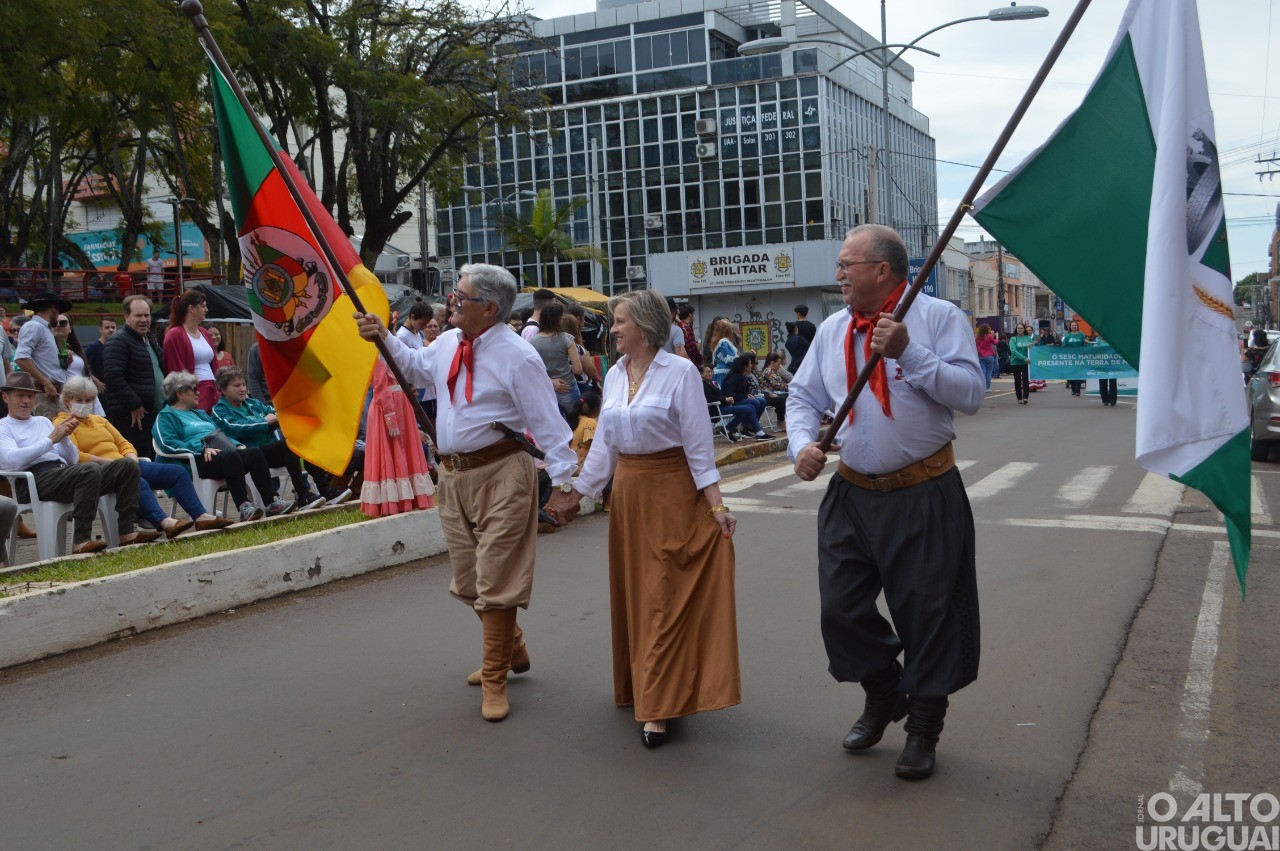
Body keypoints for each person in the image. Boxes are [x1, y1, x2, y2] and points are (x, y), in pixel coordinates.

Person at [787, 224, 983, 781]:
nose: (840, 274)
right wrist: (801, 443)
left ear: (883, 271)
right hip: (852, 491)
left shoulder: (939, 319)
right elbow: (803, 396)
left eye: (848, 264)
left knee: (928, 614)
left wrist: (909, 353)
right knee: (840, 610)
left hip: (922, 490)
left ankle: (923, 726)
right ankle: (884, 689)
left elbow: (970, 395)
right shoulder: (831, 330)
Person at [355, 263, 578, 723]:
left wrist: (565, 485)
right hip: (453, 479)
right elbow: (416, 370)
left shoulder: (519, 356)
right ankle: (510, 644)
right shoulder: (449, 343)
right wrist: (383, 337)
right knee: (469, 581)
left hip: (503, 476)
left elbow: (549, 423)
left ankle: (495, 680)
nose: (451, 301)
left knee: (496, 580)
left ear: (490, 308)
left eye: (461, 296)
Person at [546, 289, 740, 750]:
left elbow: (699, 449)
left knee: (661, 601)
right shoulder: (613, 374)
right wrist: (575, 495)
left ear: (646, 326)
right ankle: (644, 690)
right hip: (629, 498)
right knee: (639, 598)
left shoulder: (681, 372)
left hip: (674, 495)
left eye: (619, 321)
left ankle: (658, 706)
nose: (612, 329)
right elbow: (606, 450)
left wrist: (717, 505)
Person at [55, 377, 233, 537]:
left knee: (176, 472)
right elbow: (76, 456)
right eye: (79, 400)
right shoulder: (62, 423)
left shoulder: (100, 420)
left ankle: (201, 517)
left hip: (126, 464)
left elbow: (124, 443)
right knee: (138, 481)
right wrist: (114, 463)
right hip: (100, 471)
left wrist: (131, 459)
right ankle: (163, 521)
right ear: (67, 401)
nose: (84, 404)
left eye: (89, 400)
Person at [0, 372, 154, 554]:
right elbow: (12, 460)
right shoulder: (4, 426)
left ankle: (126, 532)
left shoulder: (41, 421)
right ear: (5, 397)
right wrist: (51, 440)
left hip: (61, 472)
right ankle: (81, 541)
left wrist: (64, 437)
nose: (26, 400)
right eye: (20, 395)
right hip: (32, 480)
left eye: (30, 396)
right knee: (88, 470)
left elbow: (71, 458)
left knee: (126, 466)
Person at [153, 371, 295, 522]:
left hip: (222, 455)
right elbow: (167, 443)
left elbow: (220, 435)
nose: (198, 392)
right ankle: (244, 507)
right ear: (180, 393)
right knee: (231, 456)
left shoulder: (200, 414)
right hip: (196, 461)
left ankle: (271, 502)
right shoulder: (166, 416)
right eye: (194, 389)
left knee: (253, 452)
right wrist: (200, 449)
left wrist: (238, 445)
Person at [211, 367, 327, 510]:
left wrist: (270, 421)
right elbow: (233, 427)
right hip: (247, 453)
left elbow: (276, 414)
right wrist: (265, 422)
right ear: (222, 390)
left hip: (267, 450)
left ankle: (323, 491)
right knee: (286, 445)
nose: (242, 389)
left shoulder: (253, 403)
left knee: (297, 443)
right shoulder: (219, 409)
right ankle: (303, 495)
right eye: (236, 386)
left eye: (243, 385)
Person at [359, 359, 435, 517]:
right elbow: (380, 387)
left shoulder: (390, 351)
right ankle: (393, 500)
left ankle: (409, 497)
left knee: (406, 450)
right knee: (392, 449)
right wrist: (390, 417)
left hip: (401, 404)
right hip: (387, 407)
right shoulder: (376, 356)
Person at [102, 295, 166, 460]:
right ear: (126, 317)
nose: (144, 320)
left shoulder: (150, 339)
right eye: (138, 315)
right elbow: (113, 377)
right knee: (142, 461)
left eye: (147, 315)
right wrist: (135, 404)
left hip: (153, 414)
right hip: (133, 417)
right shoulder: (118, 341)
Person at [14, 290, 72, 415]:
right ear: (54, 308)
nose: (57, 316)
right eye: (58, 311)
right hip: (45, 393)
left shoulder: (43, 328)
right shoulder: (34, 326)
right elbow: (21, 358)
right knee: (50, 432)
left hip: (51, 392)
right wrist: (46, 382)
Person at [163, 291, 220, 412]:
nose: (206, 309)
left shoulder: (204, 332)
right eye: (203, 306)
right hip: (194, 392)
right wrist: (189, 392)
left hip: (213, 390)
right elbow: (175, 370)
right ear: (192, 308)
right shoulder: (174, 334)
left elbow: (214, 365)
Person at [529, 300, 584, 417]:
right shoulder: (566, 339)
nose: (564, 319)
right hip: (567, 387)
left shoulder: (533, 341)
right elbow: (578, 369)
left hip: (546, 389)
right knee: (577, 421)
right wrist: (568, 367)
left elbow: (532, 370)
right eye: (562, 317)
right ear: (557, 320)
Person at [53, 314, 105, 416]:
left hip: (85, 395)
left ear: (70, 328)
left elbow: (85, 373)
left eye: (63, 323)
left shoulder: (76, 349)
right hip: (66, 398)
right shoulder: (46, 351)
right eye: (54, 323)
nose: (58, 325)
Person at [701, 365, 764, 443]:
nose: (710, 374)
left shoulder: (711, 384)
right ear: (701, 374)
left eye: (711, 371)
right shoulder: (702, 385)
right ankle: (758, 432)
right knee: (749, 409)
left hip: (723, 405)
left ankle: (727, 429)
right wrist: (725, 400)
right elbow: (710, 399)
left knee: (750, 407)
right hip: (716, 409)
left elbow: (719, 395)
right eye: (707, 372)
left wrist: (727, 399)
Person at [721, 355, 771, 442]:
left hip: (740, 400)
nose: (752, 365)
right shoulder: (735, 377)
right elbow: (730, 394)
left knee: (761, 401)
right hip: (731, 402)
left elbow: (743, 392)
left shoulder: (743, 376)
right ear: (745, 366)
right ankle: (756, 430)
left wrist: (748, 395)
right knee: (754, 403)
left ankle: (748, 425)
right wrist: (746, 396)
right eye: (750, 363)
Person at [564, 314, 601, 393]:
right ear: (575, 329)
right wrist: (585, 358)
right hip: (579, 388)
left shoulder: (554, 347)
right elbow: (593, 372)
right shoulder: (577, 349)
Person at [569, 390, 601, 474]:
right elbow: (593, 444)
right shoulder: (590, 422)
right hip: (581, 469)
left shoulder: (572, 420)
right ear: (596, 409)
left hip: (568, 465)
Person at [760, 351, 792, 430]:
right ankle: (781, 421)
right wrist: (788, 385)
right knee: (783, 399)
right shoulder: (768, 372)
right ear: (772, 363)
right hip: (767, 396)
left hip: (775, 394)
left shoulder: (774, 372)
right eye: (778, 364)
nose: (780, 366)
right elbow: (779, 385)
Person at [83, 317, 116, 389]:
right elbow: (82, 366)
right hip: (100, 390)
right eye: (107, 327)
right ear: (100, 329)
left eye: (113, 327)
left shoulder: (118, 347)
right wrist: (96, 381)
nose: (111, 330)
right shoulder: (94, 347)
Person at [1008, 322, 1035, 405]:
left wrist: (1032, 344)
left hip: (1026, 362)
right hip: (1016, 362)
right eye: (1018, 328)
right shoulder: (1013, 339)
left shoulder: (1027, 338)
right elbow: (1013, 351)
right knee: (1017, 380)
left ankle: (1025, 397)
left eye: (1021, 328)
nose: (1019, 329)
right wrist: (1024, 358)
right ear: (1016, 329)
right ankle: (1019, 398)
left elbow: (1033, 346)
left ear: (1024, 330)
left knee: (1026, 380)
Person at [707, 318, 739, 386]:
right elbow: (731, 360)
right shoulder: (724, 342)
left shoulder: (718, 342)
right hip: (725, 374)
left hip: (719, 372)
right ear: (727, 330)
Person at [1061, 320, 1087, 396]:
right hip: (1070, 358)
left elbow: (1084, 345)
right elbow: (1064, 346)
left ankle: (1078, 391)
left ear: (1077, 326)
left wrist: (1086, 343)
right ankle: (1073, 389)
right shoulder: (1068, 336)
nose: (1074, 326)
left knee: (1078, 374)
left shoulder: (1081, 335)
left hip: (1079, 357)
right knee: (1071, 374)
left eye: (1075, 325)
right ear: (1070, 327)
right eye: (1072, 325)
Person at [1094, 335, 1119, 406]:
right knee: (1102, 382)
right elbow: (1094, 351)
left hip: (1112, 364)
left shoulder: (1113, 339)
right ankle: (1105, 399)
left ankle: (1113, 400)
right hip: (1102, 364)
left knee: (1113, 382)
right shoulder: (1098, 340)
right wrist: (1095, 347)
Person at [974, 324, 998, 392]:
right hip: (989, 356)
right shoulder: (989, 336)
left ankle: (982, 387)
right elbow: (995, 343)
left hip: (980, 356)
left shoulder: (977, 337)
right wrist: (996, 337)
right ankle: (987, 388)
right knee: (989, 372)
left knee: (983, 372)